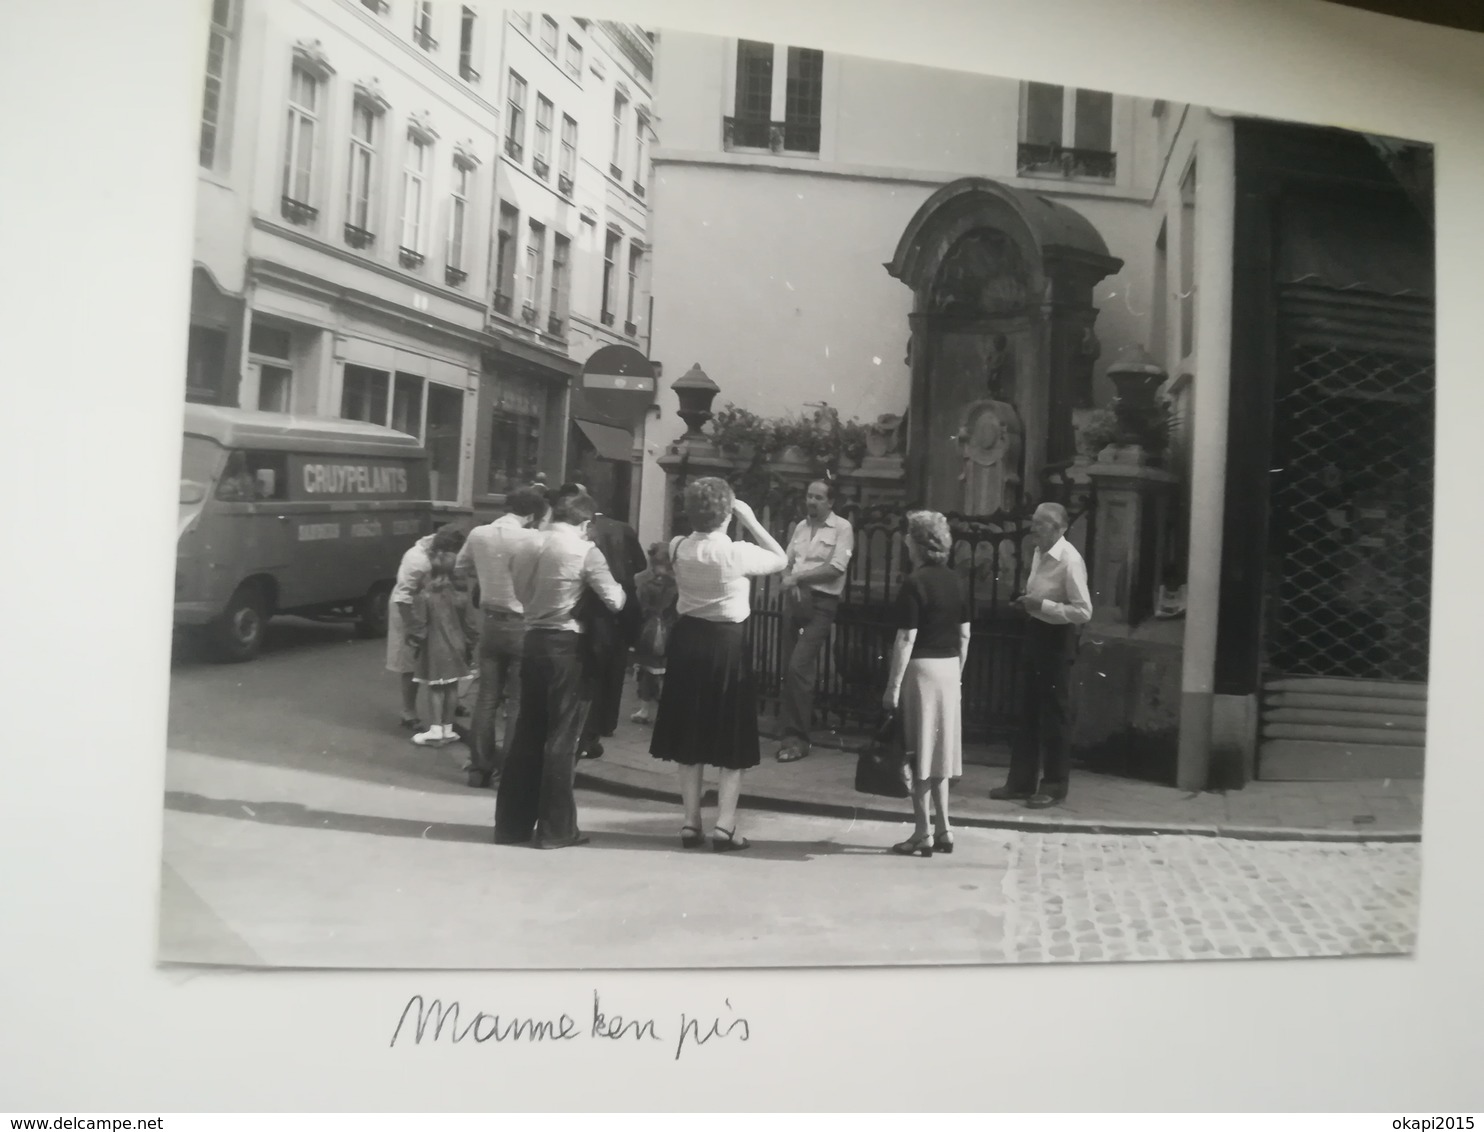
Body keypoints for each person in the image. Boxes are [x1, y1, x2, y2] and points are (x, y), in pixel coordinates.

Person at [651, 478, 788, 852]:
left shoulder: (679, 546)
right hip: (727, 644)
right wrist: (751, 518)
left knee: (690, 734)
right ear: (727, 513)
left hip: (687, 641)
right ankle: (725, 825)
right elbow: (781, 558)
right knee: (731, 733)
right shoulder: (737, 552)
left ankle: (690, 822)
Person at [493, 491, 625, 849]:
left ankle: (511, 825)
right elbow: (614, 599)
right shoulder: (584, 552)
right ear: (584, 523)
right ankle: (556, 828)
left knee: (526, 733)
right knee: (562, 737)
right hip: (567, 645)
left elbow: (519, 593)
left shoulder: (523, 546)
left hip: (532, 638)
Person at [990, 501, 1093, 809]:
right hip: (1036, 633)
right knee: (1028, 711)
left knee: (1054, 715)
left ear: (1059, 529)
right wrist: (1027, 604)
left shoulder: (1069, 560)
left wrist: (1043, 607)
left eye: (1041, 523)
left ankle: (1054, 784)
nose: (1033, 528)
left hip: (1057, 641)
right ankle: (1020, 782)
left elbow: (1084, 611)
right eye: (1033, 522)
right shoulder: (1038, 553)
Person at [881, 511, 971, 857]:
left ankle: (922, 832)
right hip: (949, 670)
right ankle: (945, 827)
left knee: (917, 754)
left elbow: (906, 638)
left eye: (908, 535)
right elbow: (965, 634)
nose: (905, 540)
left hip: (921, 672)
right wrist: (958, 674)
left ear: (917, 543)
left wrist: (892, 686)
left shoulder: (914, 582)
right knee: (941, 755)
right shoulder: (956, 581)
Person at [454, 488, 547, 788]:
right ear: (532, 515)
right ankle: (508, 770)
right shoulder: (533, 539)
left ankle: (478, 767)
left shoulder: (479, 534)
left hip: (491, 623)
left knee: (487, 698)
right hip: (522, 624)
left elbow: (461, 567)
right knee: (519, 701)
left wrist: (487, 578)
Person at [551, 483, 645, 761]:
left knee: (587, 668)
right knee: (615, 664)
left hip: (587, 605)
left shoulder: (579, 534)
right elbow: (639, 565)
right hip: (619, 605)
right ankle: (606, 721)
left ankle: (584, 728)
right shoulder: (624, 528)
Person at [775, 479, 856, 763]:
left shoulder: (842, 528)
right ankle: (789, 736)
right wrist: (788, 577)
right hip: (796, 600)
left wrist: (798, 577)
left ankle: (798, 739)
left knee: (799, 666)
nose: (812, 501)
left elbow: (836, 567)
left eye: (819, 497)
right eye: (809, 496)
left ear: (831, 502)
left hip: (821, 604)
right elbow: (786, 560)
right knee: (790, 667)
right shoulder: (799, 527)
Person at [386, 524, 466, 731]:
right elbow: (402, 597)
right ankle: (408, 711)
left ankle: (451, 703)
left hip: (438, 602)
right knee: (411, 658)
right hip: (411, 605)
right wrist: (414, 628)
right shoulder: (416, 560)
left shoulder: (444, 551)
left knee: (445, 653)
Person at [405, 551, 479, 748]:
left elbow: (419, 625)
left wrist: (413, 640)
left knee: (435, 687)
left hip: (435, 646)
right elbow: (471, 626)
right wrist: (470, 644)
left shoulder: (425, 596)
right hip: (458, 646)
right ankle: (448, 728)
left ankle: (435, 730)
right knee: (452, 687)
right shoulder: (461, 597)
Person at [630, 541, 678, 725]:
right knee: (664, 673)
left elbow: (639, 607)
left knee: (646, 672)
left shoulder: (642, 581)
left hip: (648, 631)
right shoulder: (677, 584)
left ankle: (644, 710)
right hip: (669, 630)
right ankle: (664, 711)